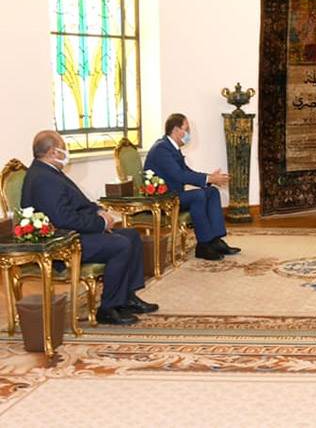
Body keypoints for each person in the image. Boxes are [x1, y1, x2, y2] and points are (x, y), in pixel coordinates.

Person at [21, 130, 158, 325]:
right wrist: (100, 223)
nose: (66, 153)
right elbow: (63, 219)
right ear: (52, 152)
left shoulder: (50, 171)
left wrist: (98, 211)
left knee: (132, 236)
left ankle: (127, 297)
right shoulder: (43, 178)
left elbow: (79, 203)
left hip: (76, 232)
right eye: (63, 148)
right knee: (120, 245)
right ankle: (108, 308)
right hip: (63, 243)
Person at [144, 113, 239, 261]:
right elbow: (178, 175)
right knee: (198, 196)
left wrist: (210, 179)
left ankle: (215, 240)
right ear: (176, 130)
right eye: (187, 129)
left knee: (212, 192)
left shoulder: (171, 147)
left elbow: (186, 172)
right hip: (162, 199)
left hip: (174, 195)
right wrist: (209, 178)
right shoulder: (161, 149)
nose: (189, 133)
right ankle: (204, 245)